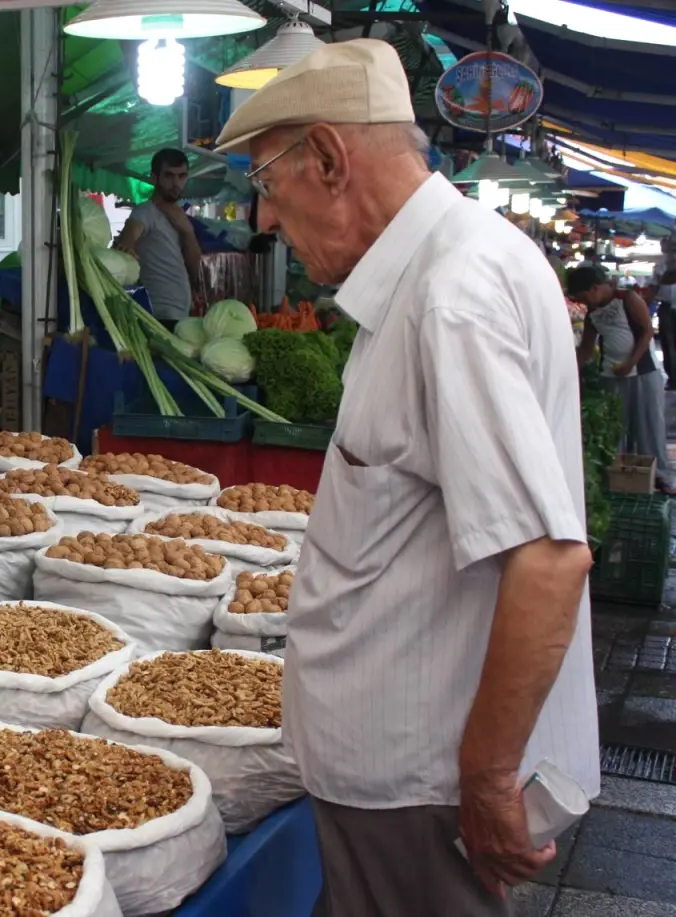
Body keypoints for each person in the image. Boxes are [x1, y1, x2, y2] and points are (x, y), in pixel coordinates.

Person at [216, 39, 597, 915]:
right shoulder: (453, 267)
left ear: (327, 157)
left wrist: (489, 774)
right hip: (393, 772)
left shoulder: (449, 296)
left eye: (267, 187)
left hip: (414, 780)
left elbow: (548, 559)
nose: (264, 221)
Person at [571, 266, 674, 493]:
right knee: (617, 428)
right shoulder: (592, 313)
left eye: (584, 296)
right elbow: (586, 349)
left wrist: (630, 364)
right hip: (610, 375)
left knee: (649, 425)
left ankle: (661, 476)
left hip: (643, 373)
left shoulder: (628, 298)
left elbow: (647, 331)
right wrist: (568, 371)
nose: (585, 302)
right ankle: (621, 475)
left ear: (596, 288)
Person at [112, 149, 203, 327]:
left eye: (181, 176)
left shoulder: (180, 217)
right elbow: (132, 231)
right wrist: (127, 245)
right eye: (169, 176)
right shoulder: (146, 210)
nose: (176, 183)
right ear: (154, 178)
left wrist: (188, 232)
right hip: (158, 315)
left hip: (180, 314)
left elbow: (196, 267)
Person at [654, 234, 676, 387]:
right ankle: (672, 378)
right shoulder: (659, 266)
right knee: (668, 344)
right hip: (666, 307)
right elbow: (655, 286)